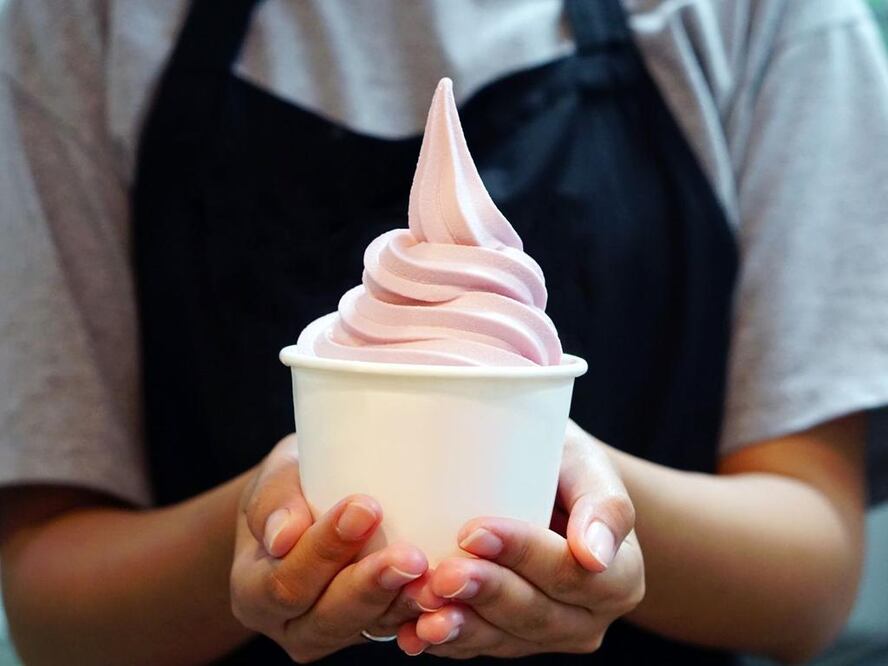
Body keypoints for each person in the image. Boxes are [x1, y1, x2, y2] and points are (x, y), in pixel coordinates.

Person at [1, 0, 887, 664]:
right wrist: (267, 530)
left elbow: (809, 579)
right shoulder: (78, 22)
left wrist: (577, 500)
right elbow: (49, 609)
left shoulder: (770, 15)